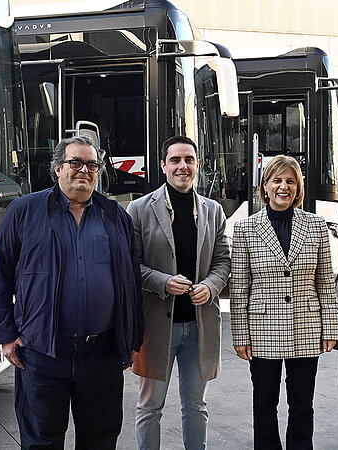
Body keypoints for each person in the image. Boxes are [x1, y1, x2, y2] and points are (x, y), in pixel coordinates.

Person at [0, 135, 144, 450]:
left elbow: (131, 284)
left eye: (91, 164)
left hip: (101, 354)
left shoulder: (116, 217)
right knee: (41, 441)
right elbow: (0, 276)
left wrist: (130, 340)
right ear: (58, 168)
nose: (83, 170)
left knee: (100, 440)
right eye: (75, 163)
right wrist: (6, 335)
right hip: (43, 353)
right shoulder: (24, 212)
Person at [127, 136, 231, 450]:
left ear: (197, 165)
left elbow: (223, 260)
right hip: (156, 326)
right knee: (149, 406)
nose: (182, 167)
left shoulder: (213, 211)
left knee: (196, 405)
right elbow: (130, 265)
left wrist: (210, 286)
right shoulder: (139, 209)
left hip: (199, 327)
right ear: (163, 165)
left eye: (189, 160)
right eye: (175, 160)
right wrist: (162, 282)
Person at [229, 155, 338, 449]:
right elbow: (240, 288)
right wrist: (240, 335)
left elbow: (325, 284)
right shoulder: (245, 229)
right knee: (264, 405)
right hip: (262, 329)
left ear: (298, 187)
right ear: (265, 186)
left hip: (306, 327)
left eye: (290, 181)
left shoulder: (316, 226)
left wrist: (331, 327)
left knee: (302, 405)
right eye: (277, 180)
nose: (283, 187)